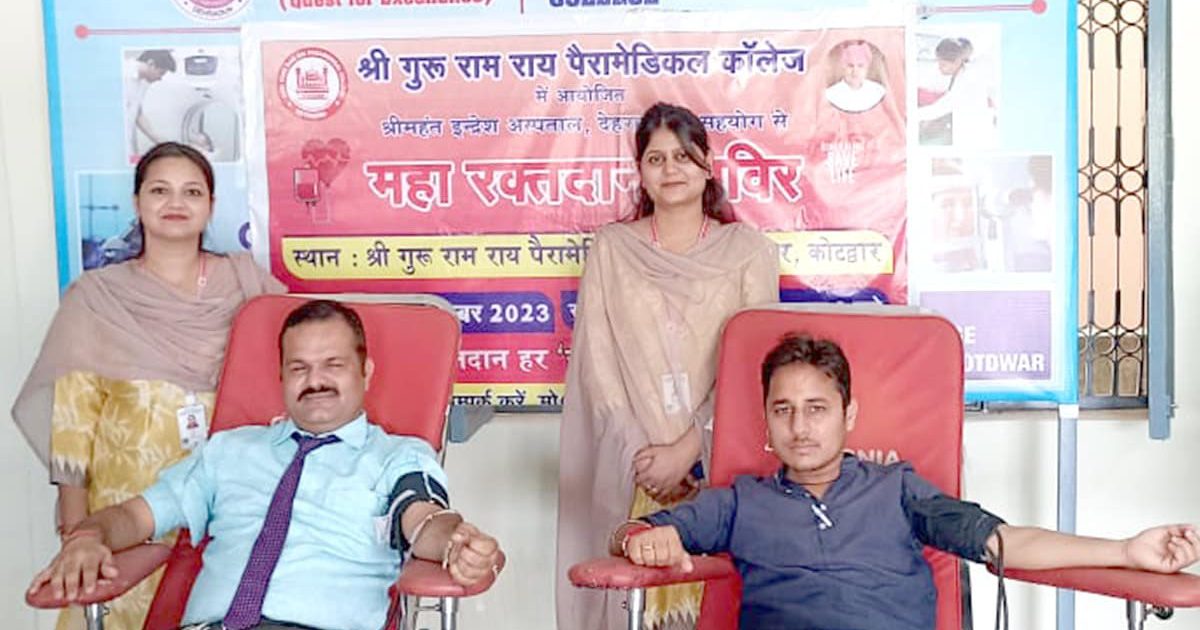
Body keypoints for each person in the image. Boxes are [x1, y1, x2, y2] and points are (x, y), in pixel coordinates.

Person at [611, 334, 1200, 629]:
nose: (800, 427)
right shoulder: (740, 502)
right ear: (765, 420)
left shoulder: (897, 489)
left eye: (817, 409)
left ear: (849, 415)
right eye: (783, 410)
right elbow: (630, 535)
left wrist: (1125, 551)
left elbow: (1002, 542)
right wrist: (640, 538)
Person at [27, 299, 503, 630]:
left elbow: (422, 518)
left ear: (365, 372)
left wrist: (455, 543)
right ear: (281, 377)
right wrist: (88, 537)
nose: (315, 380)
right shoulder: (227, 451)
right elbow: (136, 516)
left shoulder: (397, 456)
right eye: (299, 368)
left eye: (333, 365)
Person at [13, 142, 284, 630]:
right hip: (122, 519)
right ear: (137, 203)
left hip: (227, 513)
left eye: (191, 192)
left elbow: (310, 352)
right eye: (160, 190)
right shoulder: (98, 298)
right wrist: (77, 534)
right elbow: (72, 427)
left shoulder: (246, 285)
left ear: (211, 206)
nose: (175, 202)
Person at [557, 102, 780, 630]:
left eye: (683, 156)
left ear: (707, 165)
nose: (670, 169)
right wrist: (643, 457)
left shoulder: (748, 250)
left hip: (719, 467)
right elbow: (598, 367)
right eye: (655, 159)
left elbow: (753, 366)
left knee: (716, 607)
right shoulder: (612, 249)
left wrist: (689, 450)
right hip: (633, 467)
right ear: (639, 171)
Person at [916, 37, 997, 147]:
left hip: (974, 133)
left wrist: (913, 115)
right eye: (939, 63)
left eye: (943, 65)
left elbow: (942, 107)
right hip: (967, 127)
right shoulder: (962, 72)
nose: (940, 68)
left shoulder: (967, 80)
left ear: (957, 61)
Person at [125, 50, 177, 159]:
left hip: (129, 143)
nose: (160, 78)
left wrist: (157, 138)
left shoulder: (143, 82)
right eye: (161, 73)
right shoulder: (124, 74)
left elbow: (137, 113)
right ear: (151, 63)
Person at [824, 42, 886, 114]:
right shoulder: (830, 94)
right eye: (850, 66)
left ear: (866, 68)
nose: (855, 71)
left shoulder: (878, 91)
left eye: (860, 66)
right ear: (843, 68)